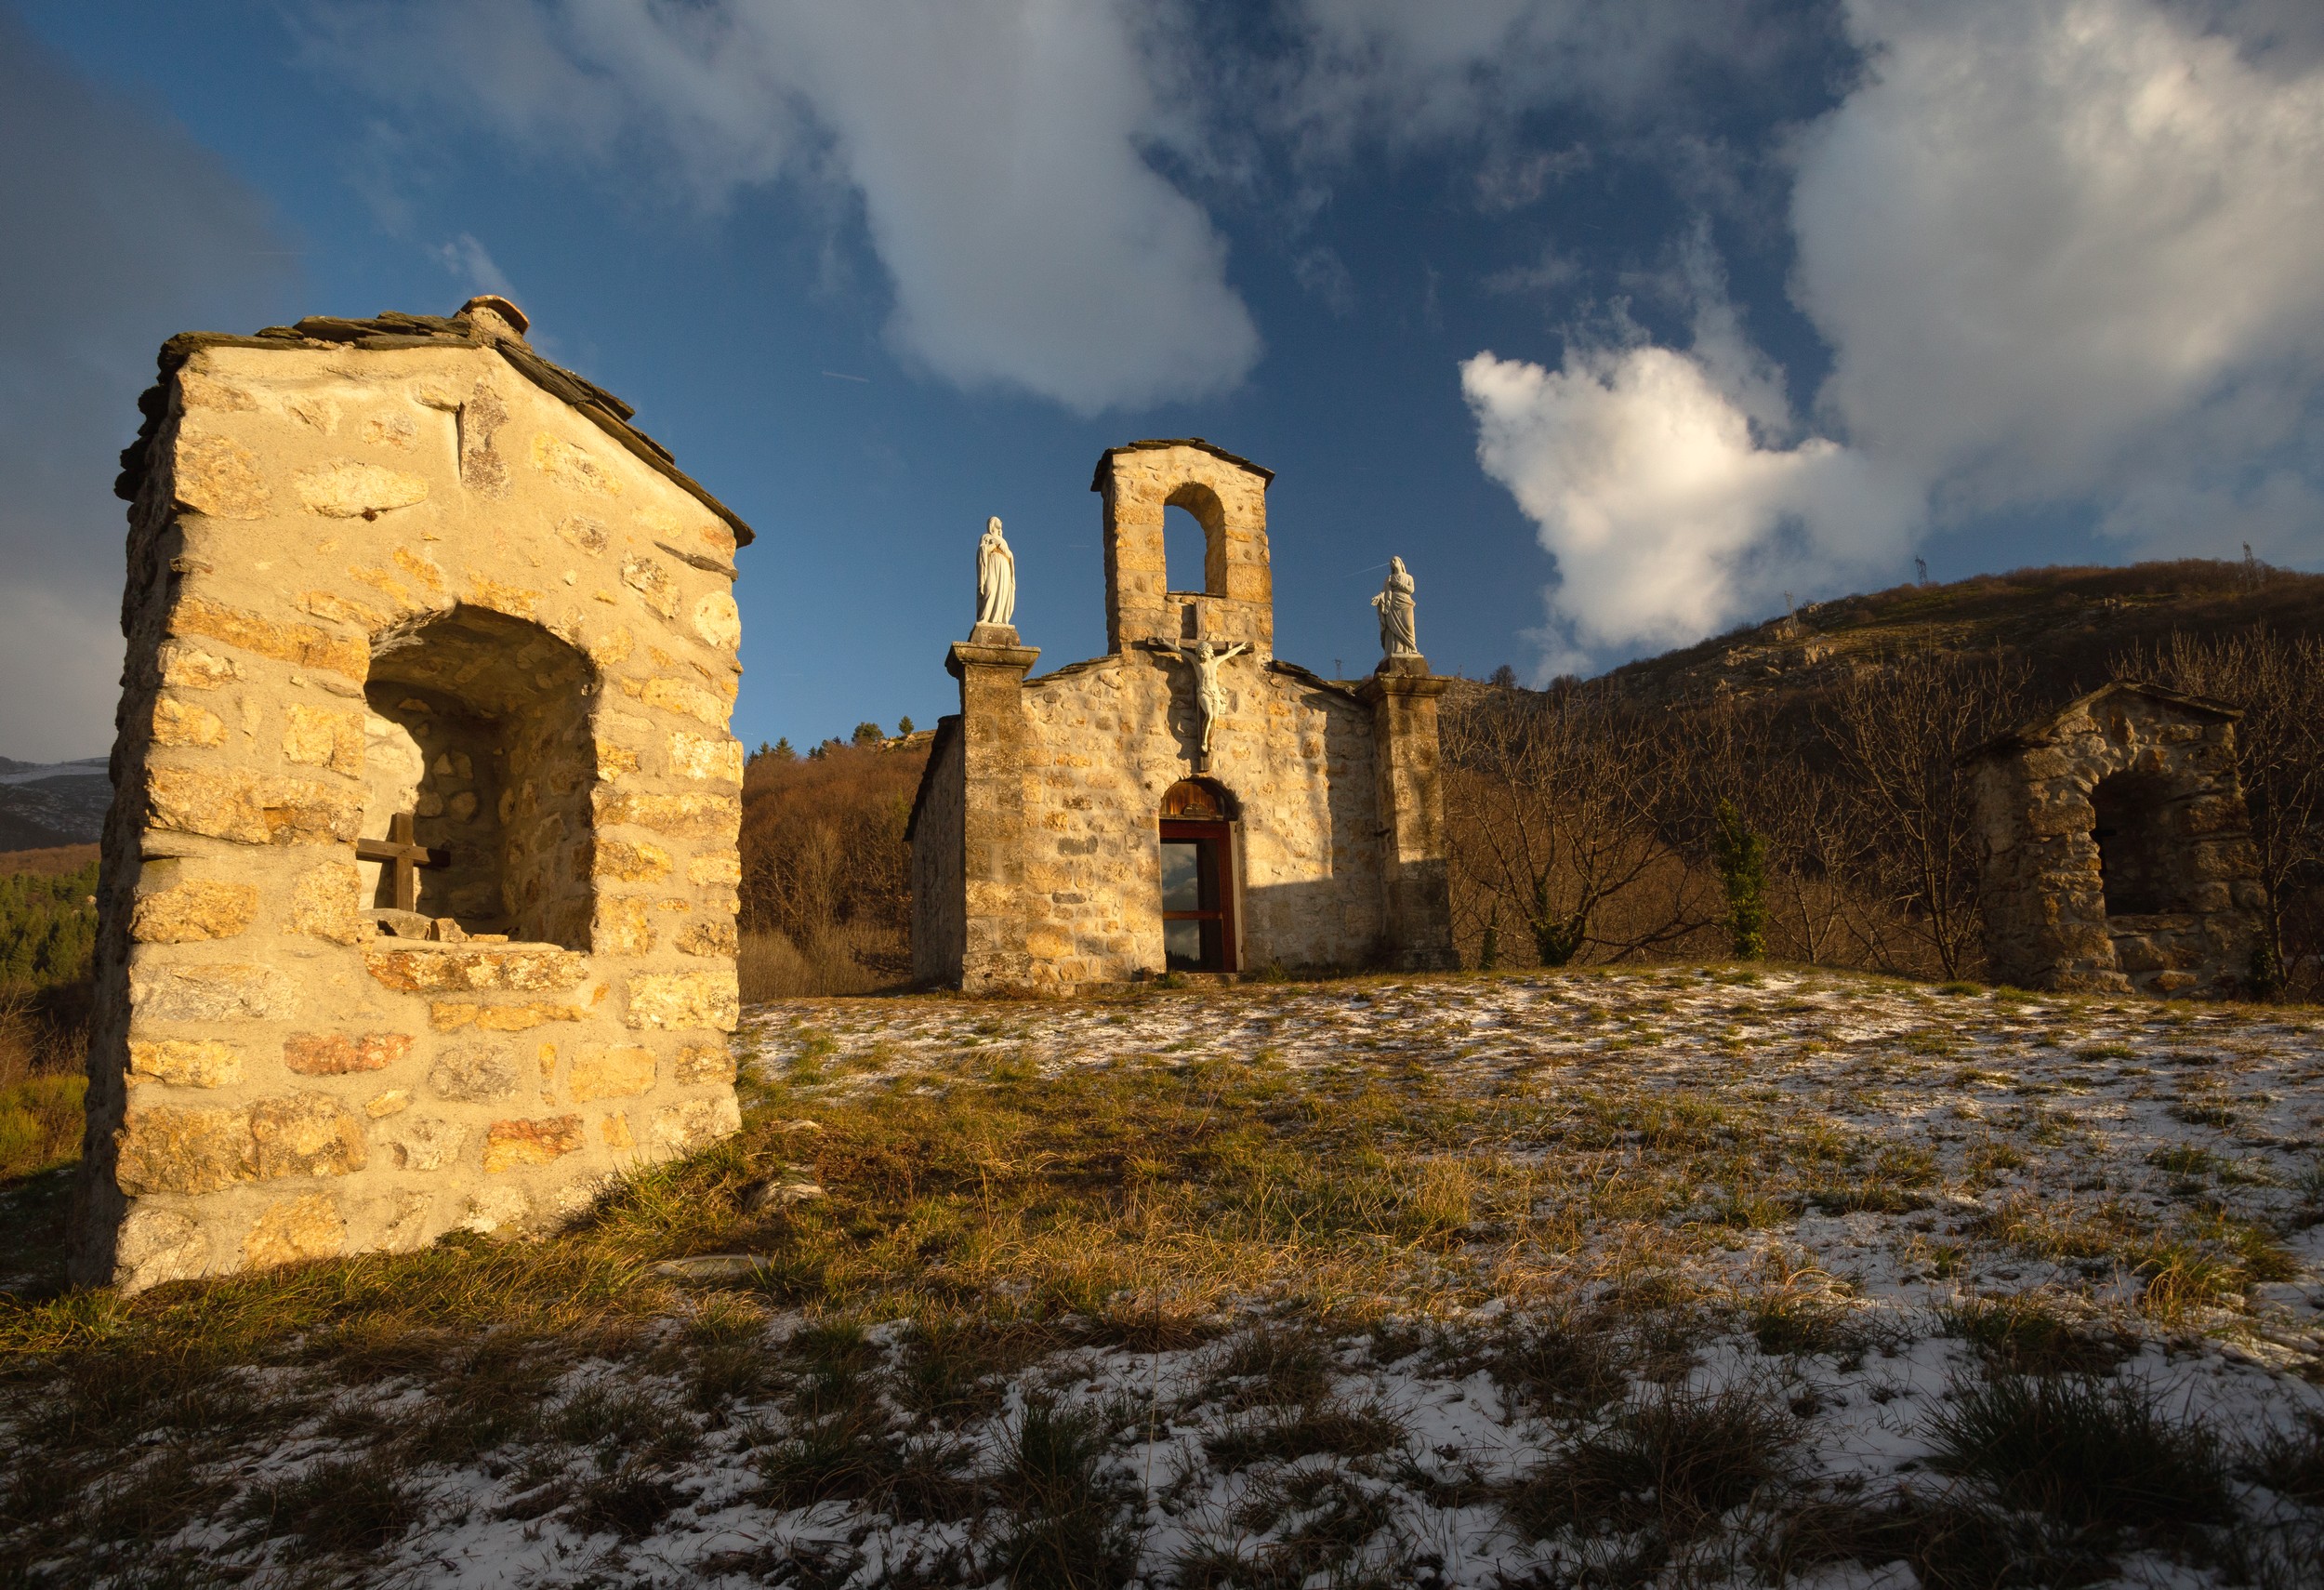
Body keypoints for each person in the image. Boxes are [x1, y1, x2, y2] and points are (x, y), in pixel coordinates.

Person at [1180, 638, 1248, 757]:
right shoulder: (1196, 662)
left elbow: (1229, 653)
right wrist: (1166, 643)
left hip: (1215, 693)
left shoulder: (1215, 661)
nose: (1206, 654)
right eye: (1204, 652)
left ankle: (1210, 741)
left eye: (1208, 652)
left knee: (1215, 719)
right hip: (1204, 692)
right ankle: (1204, 741)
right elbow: (1179, 650)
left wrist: (1241, 647)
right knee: (1209, 715)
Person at [1372, 555, 1418, 656]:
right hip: (1392, 603)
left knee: (1409, 626)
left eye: (1394, 560)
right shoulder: (1389, 578)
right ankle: (1396, 650)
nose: (1392, 562)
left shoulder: (1409, 577)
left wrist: (1398, 584)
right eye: (1391, 562)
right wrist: (1379, 598)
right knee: (1393, 628)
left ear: (1401, 563)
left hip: (1406, 602)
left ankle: (1411, 647)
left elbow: (1411, 590)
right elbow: (1384, 592)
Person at [975, 516, 1015, 628]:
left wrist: (1002, 546)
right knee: (990, 588)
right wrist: (994, 544)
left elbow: (1009, 556)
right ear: (992, 523)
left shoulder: (1004, 541)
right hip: (992, 564)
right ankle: (985, 617)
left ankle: (999, 619)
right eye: (998, 520)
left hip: (1004, 566)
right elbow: (982, 552)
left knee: (1002, 590)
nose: (1001, 522)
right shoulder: (986, 537)